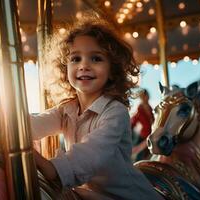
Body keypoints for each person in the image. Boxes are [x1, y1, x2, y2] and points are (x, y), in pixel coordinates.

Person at [30, 15, 163, 200]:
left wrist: (50, 167)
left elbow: (91, 153)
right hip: (88, 194)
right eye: (76, 58)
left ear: (112, 70)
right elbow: (35, 124)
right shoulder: (67, 109)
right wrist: (6, 124)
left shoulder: (114, 112)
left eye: (96, 58)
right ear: (64, 68)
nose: (84, 65)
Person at [131, 89, 154, 161]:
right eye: (144, 96)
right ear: (141, 97)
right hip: (143, 135)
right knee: (139, 156)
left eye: (147, 96)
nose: (146, 98)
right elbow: (133, 121)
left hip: (151, 134)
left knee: (149, 156)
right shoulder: (139, 109)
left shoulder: (150, 108)